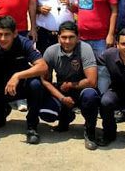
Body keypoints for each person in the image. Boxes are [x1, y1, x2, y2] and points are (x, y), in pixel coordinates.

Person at [0, 16, 48, 144]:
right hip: (0, 84)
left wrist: (17, 76)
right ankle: (2, 113)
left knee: (36, 85)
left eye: (7, 34)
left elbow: (43, 66)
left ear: (15, 34)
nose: (2, 39)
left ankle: (32, 126)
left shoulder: (24, 43)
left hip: (21, 84)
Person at [39, 21, 100, 150]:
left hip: (81, 89)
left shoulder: (85, 49)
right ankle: (65, 119)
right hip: (62, 90)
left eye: (71, 37)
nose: (67, 41)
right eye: (64, 37)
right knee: (46, 112)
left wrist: (72, 85)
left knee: (91, 95)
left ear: (77, 38)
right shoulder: (51, 51)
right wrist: (62, 98)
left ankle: (90, 132)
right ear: (58, 37)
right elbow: (45, 81)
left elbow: (92, 81)